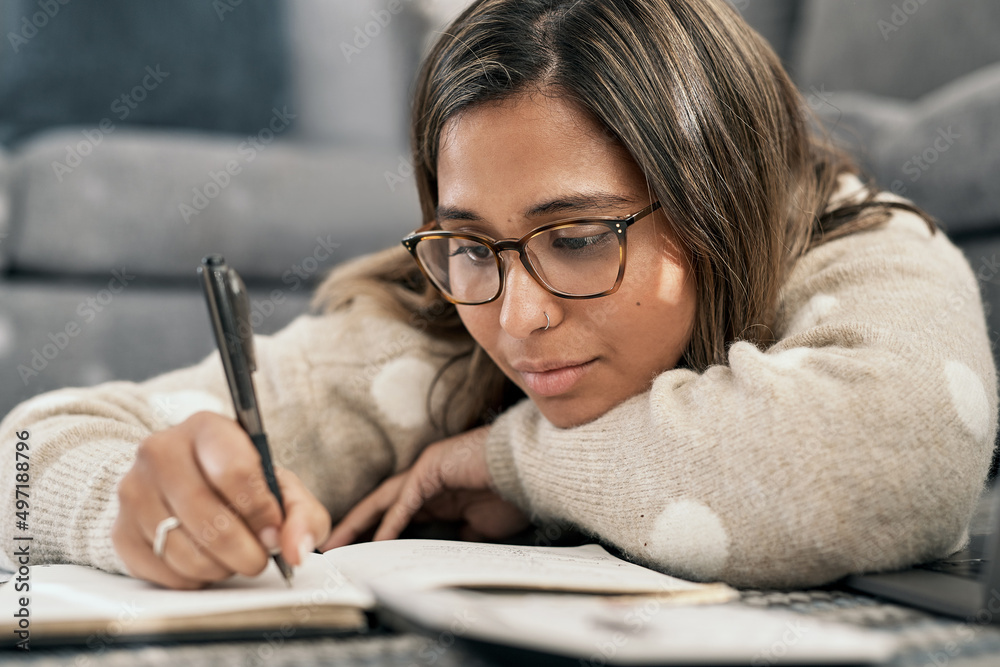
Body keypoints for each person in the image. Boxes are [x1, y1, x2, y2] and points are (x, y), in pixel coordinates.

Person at [1, 0, 996, 591]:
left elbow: (896, 452)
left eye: (572, 239)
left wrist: (507, 459)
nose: (514, 321)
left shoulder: (853, 241)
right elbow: (20, 458)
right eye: (469, 243)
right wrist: (136, 501)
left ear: (719, 199)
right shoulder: (433, 333)